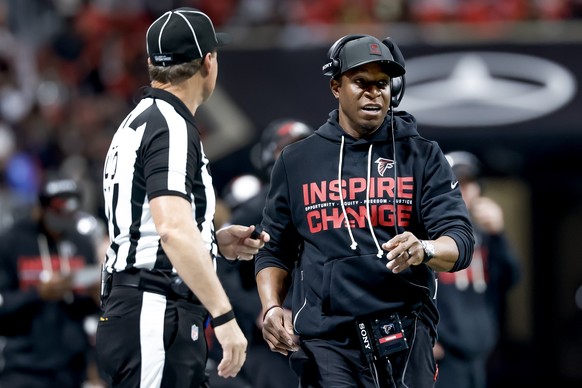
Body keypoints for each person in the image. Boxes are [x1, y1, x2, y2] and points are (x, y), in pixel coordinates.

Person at [254, 34, 475, 388]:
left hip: (405, 329)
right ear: (336, 87)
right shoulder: (297, 161)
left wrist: (425, 248)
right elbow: (274, 249)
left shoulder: (422, 155)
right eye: (361, 82)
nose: (374, 92)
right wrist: (270, 306)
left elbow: (460, 241)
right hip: (327, 339)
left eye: (382, 83)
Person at [96, 7, 269, 388]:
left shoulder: (140, 120)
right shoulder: (170, 127)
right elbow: (172, 230)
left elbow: (150, 226)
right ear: (208, 62)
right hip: (155, 310)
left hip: (142, 310)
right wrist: (223, 317)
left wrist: (210, 241)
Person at [218, 119, 314, 388]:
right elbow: (219, 269)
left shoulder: (331, 203)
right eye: (287, 148)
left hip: (326, 330)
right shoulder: (251, 212)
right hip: (273, 343)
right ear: (267, 158)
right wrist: (259, 308)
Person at [0, 174, 103, 388]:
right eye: (58, 210)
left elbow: (88, 312)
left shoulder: (81, 242)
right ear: (40, 208)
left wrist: (95, 296)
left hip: (72, 367)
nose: (64, 216)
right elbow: (4, 304)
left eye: (70, 211)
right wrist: (39, 293)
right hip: (24, 367)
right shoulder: (12, 241)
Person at [434, 151, 521, 388]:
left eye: (470, 183)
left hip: (479, 349)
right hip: (444, 351)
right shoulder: (430, 227)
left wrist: (498, 234)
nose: (465, 190)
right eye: (458, 183)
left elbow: (509, 278)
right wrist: (425, 335)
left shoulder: (483, 232)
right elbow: (411, 286)